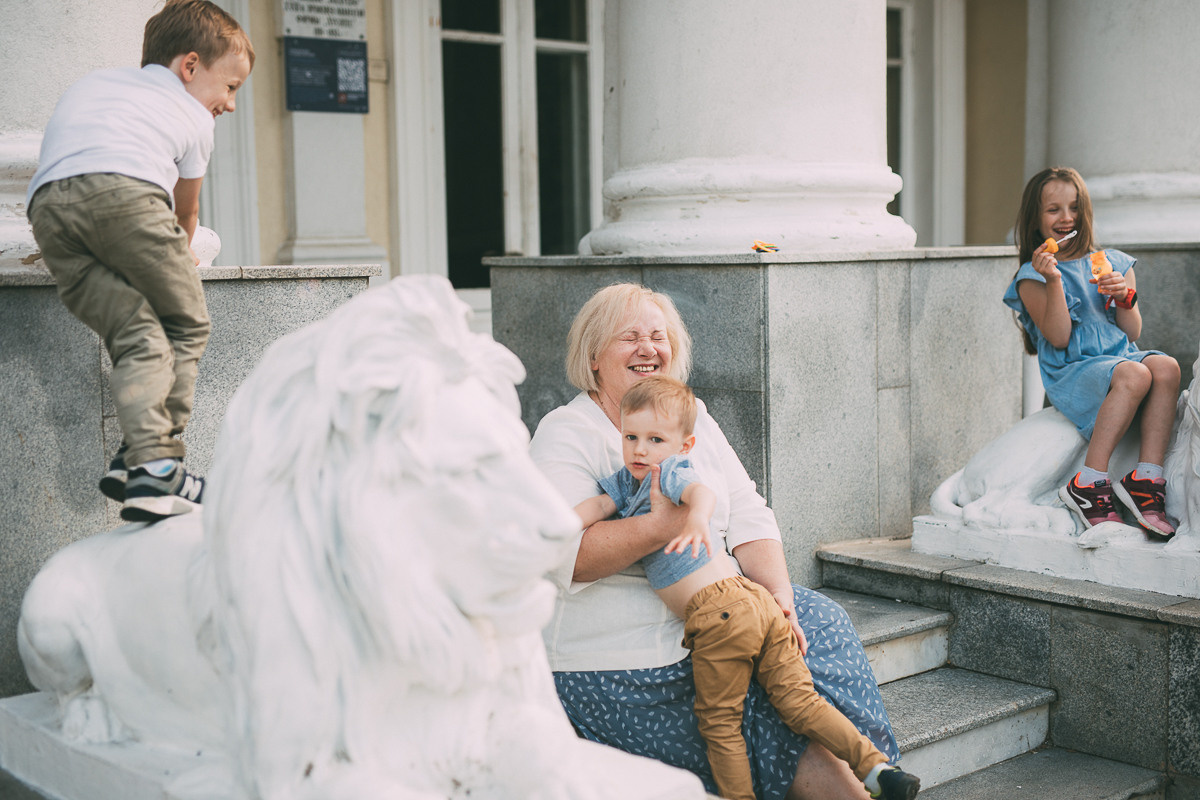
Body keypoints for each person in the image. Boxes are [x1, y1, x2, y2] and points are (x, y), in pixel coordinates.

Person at [530, 283, 900, 800]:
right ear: (593, 357)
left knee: (820, 623)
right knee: (761, 701)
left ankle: (874, 770)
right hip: (622, 652)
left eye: (658, 337)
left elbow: (747, 509)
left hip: (718, 605)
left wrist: (780, 595)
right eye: (629, 337)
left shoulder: (690, 416)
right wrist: (659, 526)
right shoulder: (567, 430)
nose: (648, 348)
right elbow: (563, 556)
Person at [574, 376, 920, 800]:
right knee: (801, 703)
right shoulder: (629, 481)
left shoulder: (670, 475)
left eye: (654, 439)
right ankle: (876, 769)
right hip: (754, 600)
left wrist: (698, 518)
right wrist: (563, 523)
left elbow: (698, 492)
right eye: (631, 437)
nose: (640, 449)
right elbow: (598, 506)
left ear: (684, 446)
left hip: (719, 616)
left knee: (721, 726)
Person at [26, 0, 254, 522]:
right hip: (127, 197)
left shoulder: (94, 83)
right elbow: (184, 211)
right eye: (231, 86)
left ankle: (136, 463)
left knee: (138, 336)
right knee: (185, 324)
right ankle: (158, 465)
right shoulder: (195, 117)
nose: (231, 103)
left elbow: (77, 164)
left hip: (50, 215)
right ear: (190, 66)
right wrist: (182, 260)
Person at [1005, 167, 1180, 540]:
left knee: (1165, 367)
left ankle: (1146, 480)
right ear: (1035, 220)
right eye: (1053, 209)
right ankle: (1089, 482)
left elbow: (1132, 332)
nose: (1066, 217)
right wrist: (1053, 280)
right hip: (1074, 367)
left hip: (1118, 355)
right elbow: (1059, 336)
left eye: (1074, 207)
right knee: (1136, 374)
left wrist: (1124, 298)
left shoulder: (1114, 262)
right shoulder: (1031, 277)